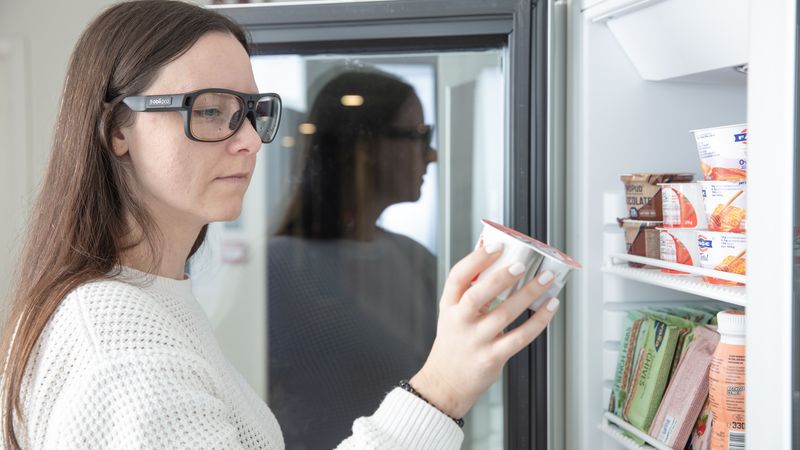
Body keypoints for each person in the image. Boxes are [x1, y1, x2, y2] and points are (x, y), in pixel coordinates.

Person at [0, 1, 560, 449]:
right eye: (210, 109)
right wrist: (441, 390)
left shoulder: (150, 300)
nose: (247, 140)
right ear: (117, 130)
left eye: (248, 111)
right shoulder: (123, 352)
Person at [267, 69, 439, 449]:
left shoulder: (416, 258)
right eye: (419, 136)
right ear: (365, 148)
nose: (433, 155)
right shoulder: (278, 270)